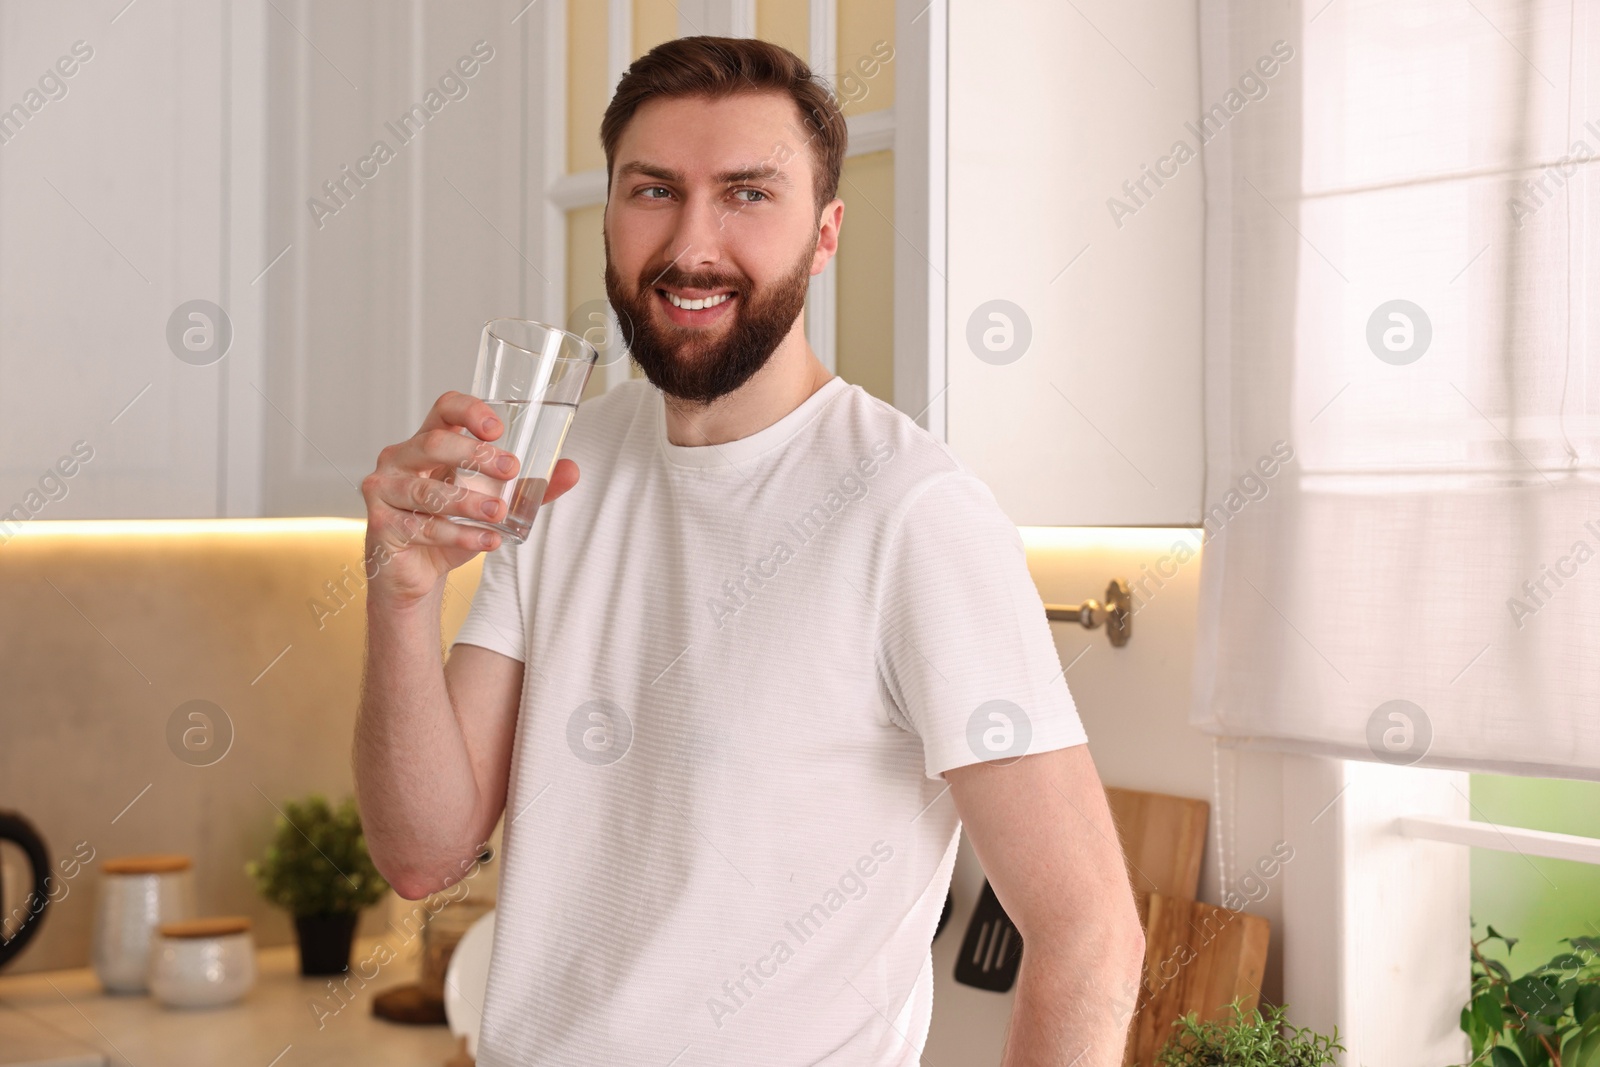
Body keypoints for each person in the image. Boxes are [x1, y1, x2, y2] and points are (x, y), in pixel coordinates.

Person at [354, 35, 1142, 1067]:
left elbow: (1089, 935)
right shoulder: (567, 463)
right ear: (611, 217)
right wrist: (401, 591)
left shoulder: (911, 513)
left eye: (746, 194)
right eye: (653, 190)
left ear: (824, 235)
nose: (691, 243)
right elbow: (423, 853)